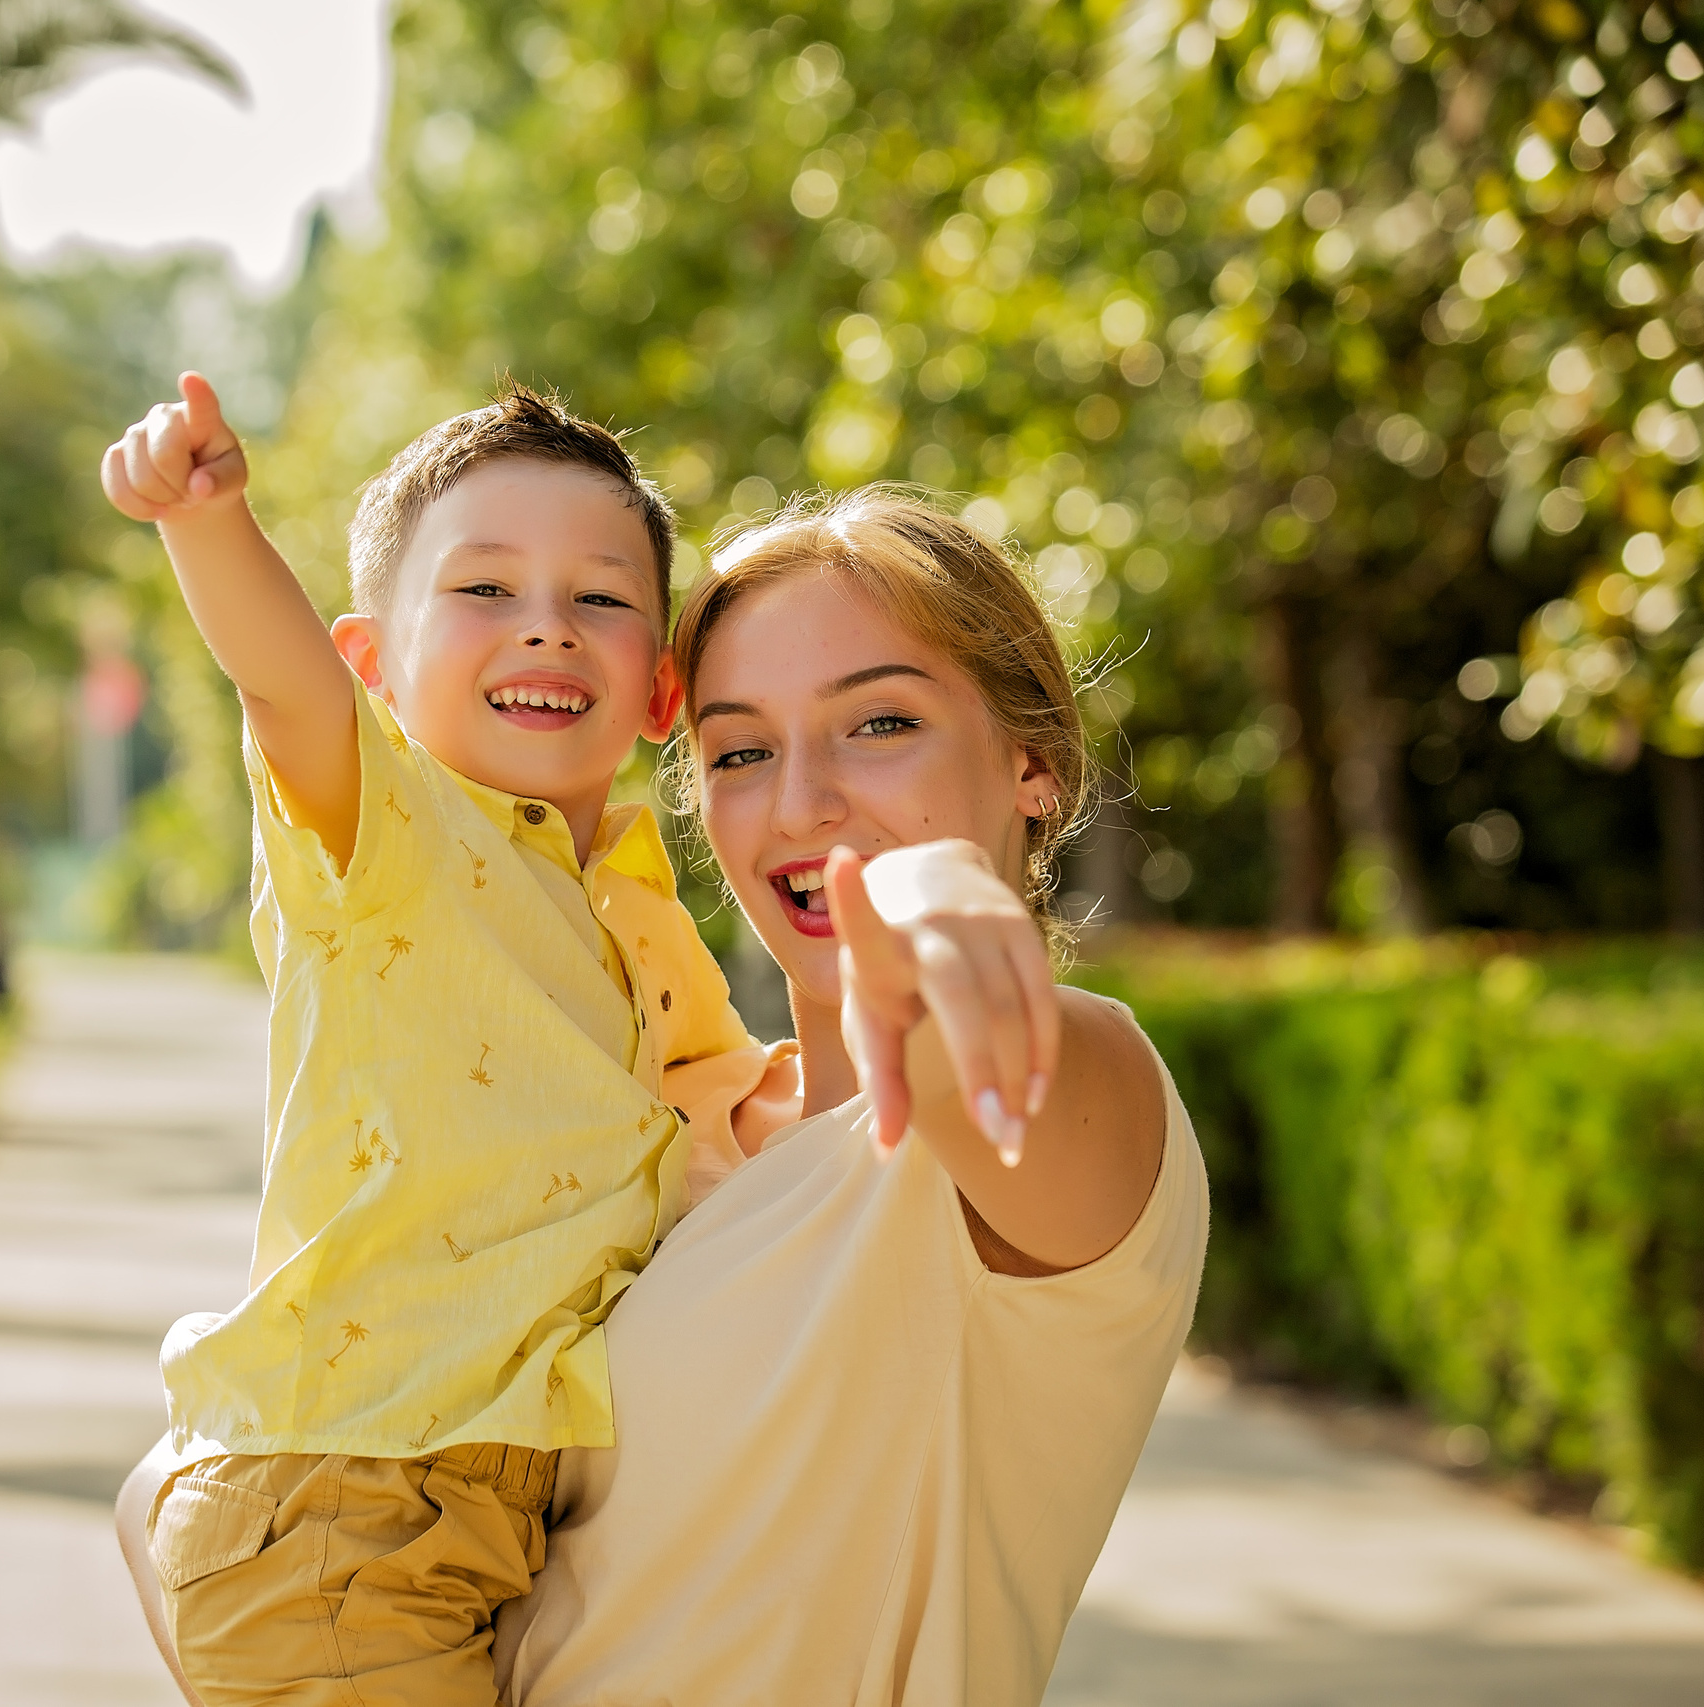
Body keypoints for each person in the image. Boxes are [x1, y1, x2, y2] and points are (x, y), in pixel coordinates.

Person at [97, 376, 768, 1706]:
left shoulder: (641, 904)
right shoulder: (383, 827)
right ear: (375, 665)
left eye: (601, 599)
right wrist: (207, 521)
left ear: (660, 689)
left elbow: (731, 1099)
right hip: (347, 1498)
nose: (548, 630)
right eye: (483, 592)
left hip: (516, 1495)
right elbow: (279, 683)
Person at [491, 489, 1210, 1704]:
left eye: (879, 724)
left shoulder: (1063, 1093)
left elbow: (962, 1046)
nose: (800, 804)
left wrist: (941, 897)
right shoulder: (661, 1127)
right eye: (741, 751)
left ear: (1028, 765)